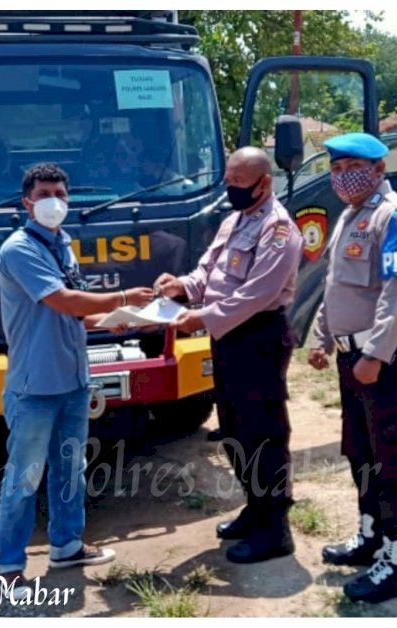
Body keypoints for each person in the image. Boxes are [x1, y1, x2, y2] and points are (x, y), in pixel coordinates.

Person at [0, 163, 154, 600]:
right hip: (34, 386)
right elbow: (62, 300)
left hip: (72, 379)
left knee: (70, 470)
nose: (55, 202)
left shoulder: (62, 244)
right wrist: (124, 297)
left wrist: (115, 319)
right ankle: (9, 570)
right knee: (24, 479)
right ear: (26, 201)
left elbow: (76, 313)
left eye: (62, 194)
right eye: (46, 193)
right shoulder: (18, 249)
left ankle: (66, 546)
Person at [154, 146, 303, 564]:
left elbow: (258, 293)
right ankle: (254, 508)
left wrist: (199, 318)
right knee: (234, 428)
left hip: (258, 335)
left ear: (265, 182)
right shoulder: (234, 220)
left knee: (263, 430)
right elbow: (210, 272)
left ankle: (275, 527)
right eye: (229, 182)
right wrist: (181, 287)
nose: (232, 191)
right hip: (227, 337)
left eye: (240, 184)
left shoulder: (278, 229)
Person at [308, 133, 397, 604]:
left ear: (379, 169)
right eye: (336, 168)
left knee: (395, 455)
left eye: (353, 166)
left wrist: (375, 355)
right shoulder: (349, 216)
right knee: (361, 450)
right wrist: (322, 338)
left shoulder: (395, 216)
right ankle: (372, 536)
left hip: (389, 357)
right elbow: (336, 287)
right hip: (351, 356)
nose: (342, 176)